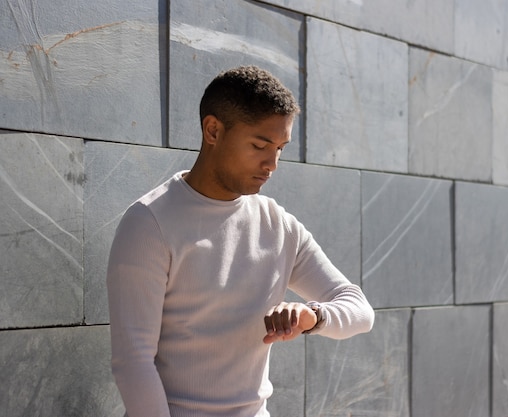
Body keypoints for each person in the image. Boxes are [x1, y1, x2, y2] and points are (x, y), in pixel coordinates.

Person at [106, 65, 375, 417]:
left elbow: (359, 309)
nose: (272, 163)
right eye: (260, 145)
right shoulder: (149, 223)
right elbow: (133, 361)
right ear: (213, 130)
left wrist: (313, 316)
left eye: (280, 148)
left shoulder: (278, 225)